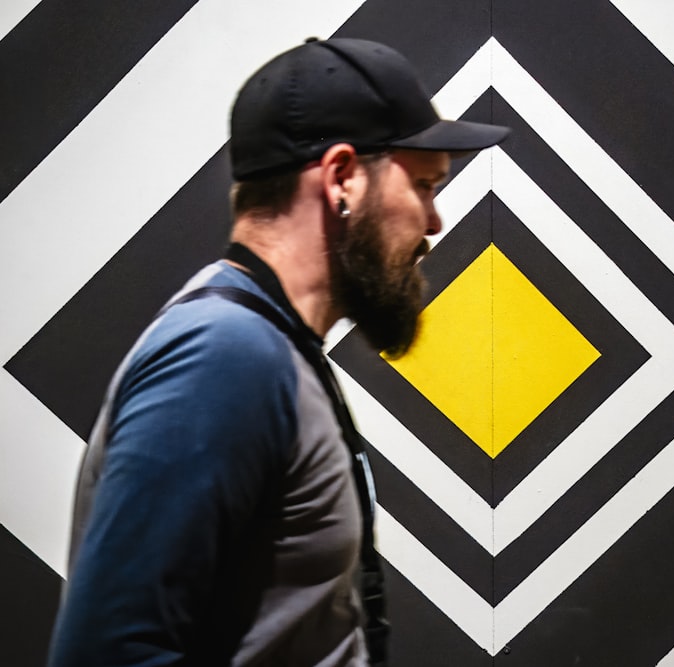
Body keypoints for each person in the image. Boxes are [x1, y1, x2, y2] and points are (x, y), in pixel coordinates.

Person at [47, 37, 509, 666]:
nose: (435, 223)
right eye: (425, 186)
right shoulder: (223, 357)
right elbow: (110, 653)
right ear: (342, 176)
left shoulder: (268, 344)